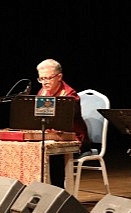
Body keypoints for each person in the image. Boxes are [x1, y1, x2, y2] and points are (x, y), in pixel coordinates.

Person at [35, 59, 90, 187]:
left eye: (48, 78)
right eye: (41, 79)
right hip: (51, 136)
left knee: (54, 153)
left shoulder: (70, 95)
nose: (44, 82)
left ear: (59, 76)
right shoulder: (42, 92)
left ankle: (57, 190)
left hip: (73, 137)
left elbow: (67, 123)